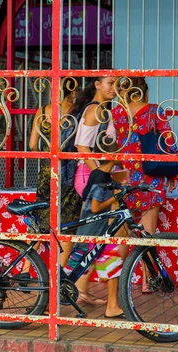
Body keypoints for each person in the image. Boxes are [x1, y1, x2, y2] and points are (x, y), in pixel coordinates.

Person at [111, 77, 178, 291]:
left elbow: (112, 143)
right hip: (148, 175)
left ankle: (115, 283)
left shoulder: (117, 113)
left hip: (122, 173)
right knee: (147, 231)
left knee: (122, 230)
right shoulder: (154, 111)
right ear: (145, 92)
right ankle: (146, 281)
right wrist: (175, 173)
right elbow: (168, 141)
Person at [69, 75, 118, 305]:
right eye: (110, 83)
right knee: (91, 235)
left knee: (95, 235)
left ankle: (80, 288)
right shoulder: (95, 110)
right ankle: (75, 287)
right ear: (97, 84)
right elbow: (82, 147)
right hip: (91, 176)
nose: (114, 88)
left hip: (96, 175)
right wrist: (99, 176)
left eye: (118, 84)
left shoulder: (103, 110)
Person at [24, 80, 82, 269]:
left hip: (47, 171)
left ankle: (25, 268)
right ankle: (57, 273)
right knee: (68, 223)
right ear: (72, 90)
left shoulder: (43, 112)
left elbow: (32, 145)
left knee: (40, 220)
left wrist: (47, 158)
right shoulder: (76, 111)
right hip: (69, 171)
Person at [65, 142, 125, 318]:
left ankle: (113, 306)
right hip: (91, 232)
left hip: (99, 232)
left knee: (112, 263)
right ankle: (47, 299)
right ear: (114, 156)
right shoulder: (101, 178)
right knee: (73, 269)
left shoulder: (102, 174)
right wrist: (113, 198)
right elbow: (95, 207)